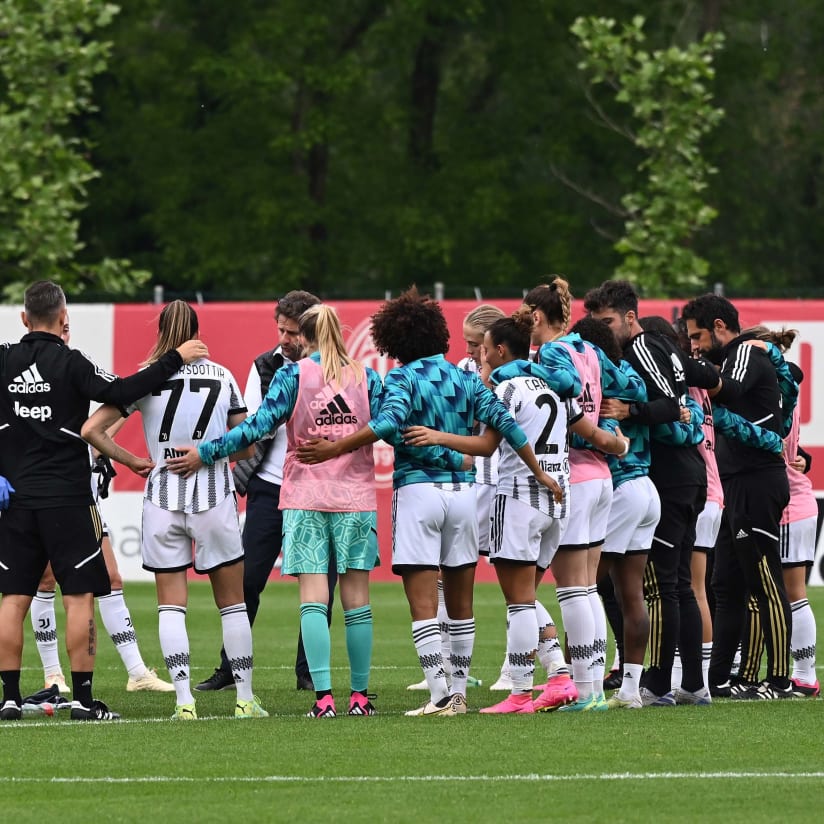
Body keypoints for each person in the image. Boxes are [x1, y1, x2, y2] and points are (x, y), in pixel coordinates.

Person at [295, 287, 560, 717]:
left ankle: (439, 696)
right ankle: (458, 693)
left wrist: (334, 448)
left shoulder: (401, 377)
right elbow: (506, 424)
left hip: (419, 492)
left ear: (393, 340)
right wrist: (540, 471)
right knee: (461, 602)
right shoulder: (465, 377)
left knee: (423, 602)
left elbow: (387, 423)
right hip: (463, 494)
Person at [404, 310, 629, 714]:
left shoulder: (506, 391)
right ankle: (575, 681)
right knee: (555, 593)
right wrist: (619, 446)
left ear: (501, 349)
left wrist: (437, 436)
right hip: (556, 502)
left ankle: (521, 692)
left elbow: (489, 444)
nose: (480, 358)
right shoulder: (554, 387)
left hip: (518, 497)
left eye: (484, 350)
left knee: (520, 601)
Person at [0, 281, 206, 722]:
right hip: (69, 499)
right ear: (63, 319)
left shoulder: (4, 359)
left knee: (13, 598)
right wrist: (175, 359)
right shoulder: (72, 363)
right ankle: (82, 701)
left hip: (16, 498)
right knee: (79, 598)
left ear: (23, 319)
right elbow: (123, 390)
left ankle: (10, 699)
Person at [167, 305, 382, 718]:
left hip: (304, 496)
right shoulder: (365, 375)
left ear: (304, 336)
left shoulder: (291, 375)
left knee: (313, 598)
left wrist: (206, 452)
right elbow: (391, 422)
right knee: (357, 600)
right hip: (355, 497)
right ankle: (359, 697)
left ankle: (323, 701)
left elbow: (254, 428)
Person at [81, 300, 267, 720]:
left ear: (161, 332)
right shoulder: (222, 377)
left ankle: (184, 701)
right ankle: (245, 699)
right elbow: (248, 447)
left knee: (170, 604)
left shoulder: (146, 380)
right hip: (214, 497)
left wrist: (129, 460)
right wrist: (208, 451)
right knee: (233, 603)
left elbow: (92, 430)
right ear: (197, 331)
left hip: (162, 497)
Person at [194, 290, 334, 694]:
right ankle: (229, 667)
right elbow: (254, 426)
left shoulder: (337, 371)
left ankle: (309, 671)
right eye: (281, 330)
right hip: (270, 489)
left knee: (320, 585)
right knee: (247, 580)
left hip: (317, 490)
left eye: (293, 332)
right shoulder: (265, 367)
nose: (286, 339)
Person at [586, 282, 713, 706]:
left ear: (630, 317)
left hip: (669, 475)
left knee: (654, 586)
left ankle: (656, 684)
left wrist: (633, 411)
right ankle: (692, 683)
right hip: (684, 475)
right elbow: (704, 380)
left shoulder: (641, 350)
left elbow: (669, 402)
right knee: (675, 585)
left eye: (608, 322)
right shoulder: (662, 344)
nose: (605, 331)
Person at [525, 278, 645, 712]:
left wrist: (523, 368)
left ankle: (585, 689)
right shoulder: (589, 349)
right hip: (602, 473)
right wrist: (611, 419)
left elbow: (566, 387)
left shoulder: (555, 350)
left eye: (526, 317)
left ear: (536, 316)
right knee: (588, 588)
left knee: (573, 588)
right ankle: (591, 688)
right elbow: (633, 385)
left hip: (574, 469)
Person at [682, 294, 797, 699]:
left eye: (697, 337)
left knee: (764, 581)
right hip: (736, 483)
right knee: (726, 585)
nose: (694, 345)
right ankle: (726, 679)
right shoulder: (737, 356)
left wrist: (685, 370)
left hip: (756, 481)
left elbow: (729, 390)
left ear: (718, 326)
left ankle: (781, 680)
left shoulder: (744, 351)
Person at [408, 303, 503, 693]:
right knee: (452, 575)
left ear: (494, 343)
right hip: (473, 483)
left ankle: (547, 659)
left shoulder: (501, 377)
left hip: (487, 482)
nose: (467, 351)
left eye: (474, 343)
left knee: (508, 574)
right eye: (464, 343)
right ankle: (447, 668)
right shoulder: (472, 373)